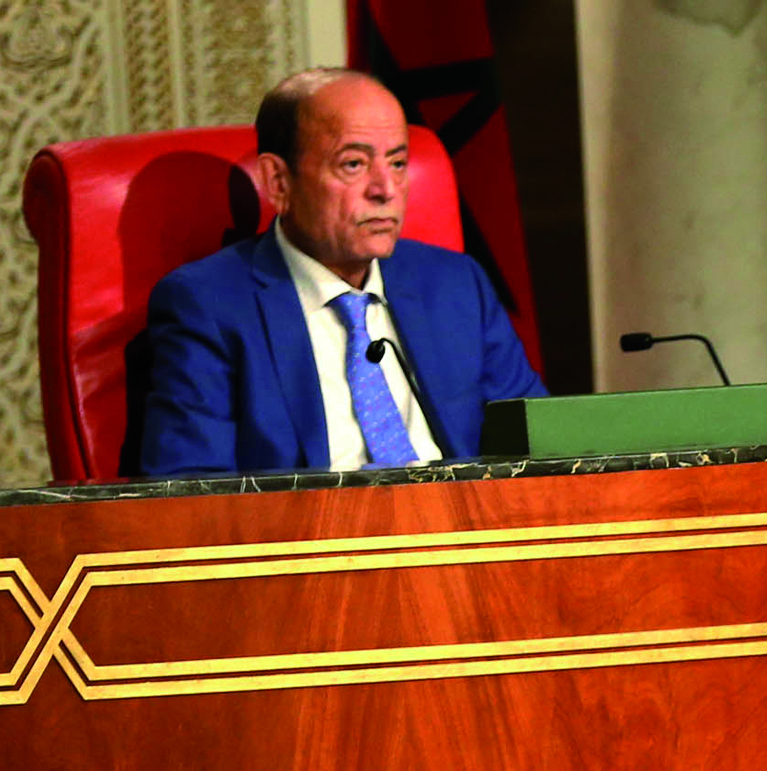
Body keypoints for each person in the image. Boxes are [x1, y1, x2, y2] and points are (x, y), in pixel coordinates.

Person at [137, 68, 545, 476]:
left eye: (399, 162)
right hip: (312, 536)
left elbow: (540, 448)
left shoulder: (455, 284)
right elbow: (190, 488)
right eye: (353, 164)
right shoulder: (209, 305)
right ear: (278, 181)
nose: (385, 188)